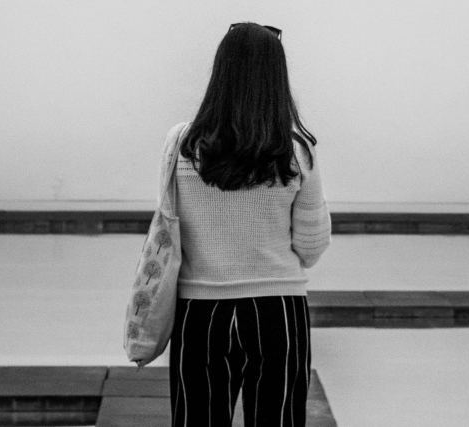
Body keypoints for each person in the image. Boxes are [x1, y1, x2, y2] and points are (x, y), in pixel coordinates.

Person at [164, 22, 331, 427]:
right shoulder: (295, 151)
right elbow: (312, 246)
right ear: (276, 77)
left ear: (221, 71)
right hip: (277, 308)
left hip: (199, 310)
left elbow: (167, 228)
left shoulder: (182, 144)